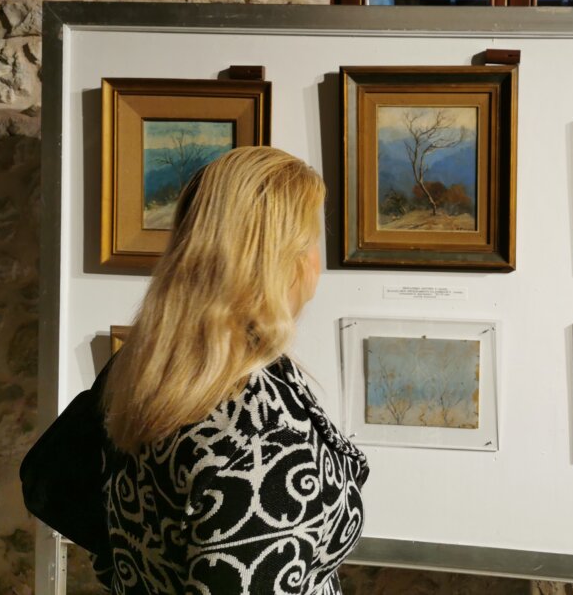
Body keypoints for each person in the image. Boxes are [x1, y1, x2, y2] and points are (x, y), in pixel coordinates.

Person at [95, 146, 368, 594]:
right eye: (312, 240)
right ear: (282, 259)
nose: (316, 262)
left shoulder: (147, 371)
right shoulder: (260, 437)